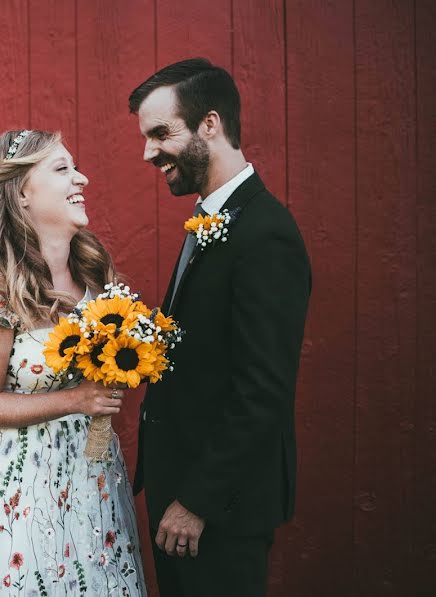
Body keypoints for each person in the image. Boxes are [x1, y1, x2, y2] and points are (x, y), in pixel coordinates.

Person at [0, 130, 147, 596]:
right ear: (21, 193)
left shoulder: (94, 277)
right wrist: (77, 398)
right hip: (17, 489)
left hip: (91, 481)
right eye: (62, 169)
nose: (81, 178)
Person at [128, 58, 312, 596]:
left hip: (217, 510)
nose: (148, 152)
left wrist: (197, 501)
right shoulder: (212, 219)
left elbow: (264, 392)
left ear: (210, 124)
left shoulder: (264, 233)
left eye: (161, 133)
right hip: (180, 500)